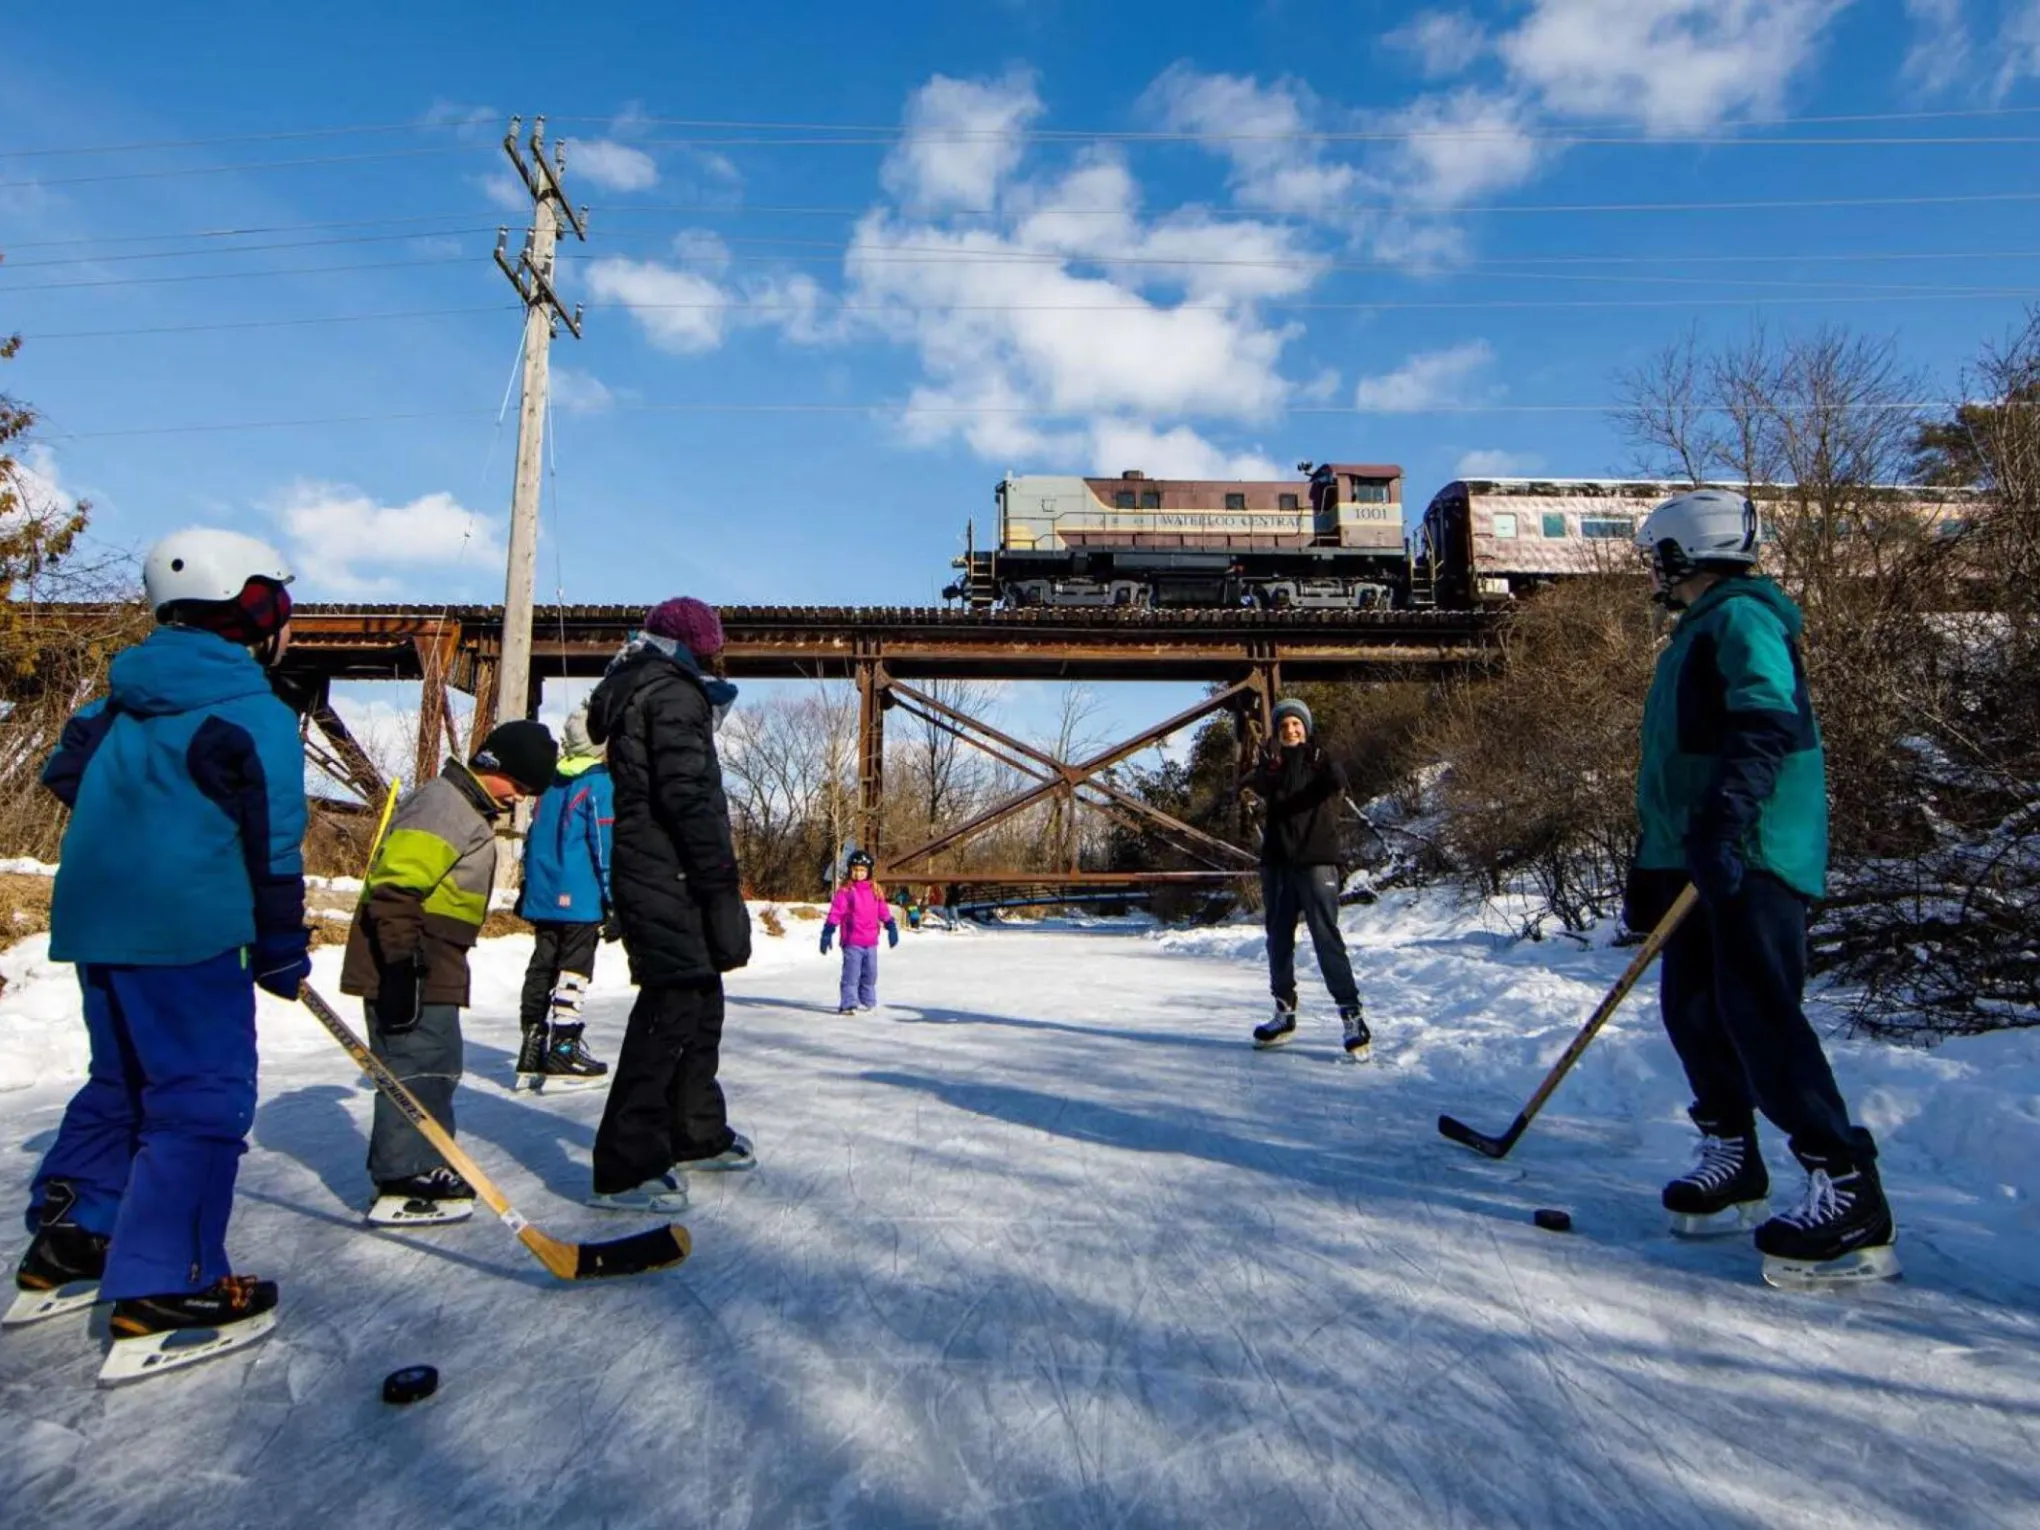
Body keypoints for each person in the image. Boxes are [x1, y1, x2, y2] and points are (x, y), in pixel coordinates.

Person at [10, 530, 308, 1383]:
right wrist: (281, 946)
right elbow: (275, 841)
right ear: (249, 606)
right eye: (274, 602)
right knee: (199, 1101)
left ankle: (72, 1241)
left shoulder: (117, 701)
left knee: (123, 1084)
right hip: (190, 931)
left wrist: (142, 819)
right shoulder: (253, 713)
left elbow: (68, 774)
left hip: (100, 924)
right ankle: (168, 1287)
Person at [1625, 489, 1897, 1287]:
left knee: (1760, 1015)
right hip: (1703, 856)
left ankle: (1847, 1184)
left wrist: (1723, 826)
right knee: (1695, 1009)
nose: (1654, 568)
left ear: (1687, 551)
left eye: (1660, 553)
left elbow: (1766, 720)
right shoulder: (1698, 629)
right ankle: (1733, 1154)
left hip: (1753, 854)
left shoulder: (1744, 617)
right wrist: (1660, 861)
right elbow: (1679, 762)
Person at [340, 720, 557, 1227]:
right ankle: (403, 1176)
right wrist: (399, 967)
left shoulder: (464, 810)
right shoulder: (443, 808)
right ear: (493, 768)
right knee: (416, 1068)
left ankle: (423, 1161)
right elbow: (395, 890)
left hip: (432, 962)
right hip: (409, 963)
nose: (517, 801)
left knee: (436, 1065)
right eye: (519, 787)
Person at [583, 597, 755, 1214]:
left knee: (701, 1001)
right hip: (669, 875)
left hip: (664, 872)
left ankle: (693, 1132)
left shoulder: (652, 688)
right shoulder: (673, 694)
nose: (719, 650)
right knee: (670, 1009)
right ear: (693, 645)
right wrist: (718, 881)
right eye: (713, 642)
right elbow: (690, 799)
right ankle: (626, 1164)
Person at [1240, 698, 1369, 1059]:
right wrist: (1258, 773)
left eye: (1296, 725)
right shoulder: (1274, 767)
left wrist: (1322, 762)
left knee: (1326, 938)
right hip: (1278, 863)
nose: (1291, 730)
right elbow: (1254, 783)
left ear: (1306, 729)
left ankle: (1352, 1016)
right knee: (1277, 942)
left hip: (1316, 862)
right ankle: (1283, 1012)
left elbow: (1337, 781)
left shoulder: (1320, 760)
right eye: (1284, 727)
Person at [514, 704, 615, 1091]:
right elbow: (604, 845)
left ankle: (532, 1043)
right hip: (581, 895)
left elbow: (533, 838)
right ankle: (565, 1045)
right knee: (574, 967)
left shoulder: (549, 784)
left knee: (542, 964)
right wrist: (613, 898)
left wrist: (529, 885)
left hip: (544, 892)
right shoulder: (599, 784)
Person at [821, 850, 899, 1013]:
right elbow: (836, 912)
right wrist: (827, 932)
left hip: (871, 941)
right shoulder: (846, 891)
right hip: (852, 941)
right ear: (850, 870)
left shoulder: (875, 890)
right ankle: (848, 1003)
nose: (858, 873)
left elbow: (883, 910)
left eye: (862, 870)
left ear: (868, 872)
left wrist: (891, 926)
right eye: (855, 870)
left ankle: (867, 998)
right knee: (852, 974)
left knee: (870, 973)